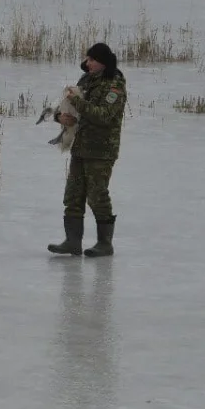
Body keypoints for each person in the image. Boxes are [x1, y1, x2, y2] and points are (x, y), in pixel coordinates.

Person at [48, 42, 127, 258]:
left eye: (92, 59)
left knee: (97, 196)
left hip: (102, 150)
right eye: (88, 59)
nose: (88, 63)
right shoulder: (86, 80)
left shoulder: (114, 85)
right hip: (80, 147)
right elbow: (70, 106)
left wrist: (78, 104)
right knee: (73, 195)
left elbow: (103, 115)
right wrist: (60, 117)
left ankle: (104, 243)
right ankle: (72, 241)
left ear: (103, 62)